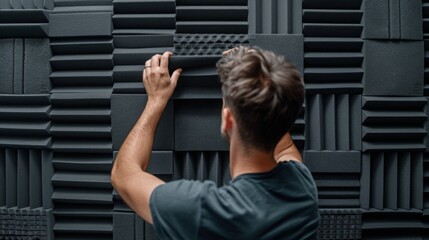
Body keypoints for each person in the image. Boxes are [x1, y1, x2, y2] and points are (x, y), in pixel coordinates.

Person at [111, 47, 319, 240]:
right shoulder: (302, 185)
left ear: (228, 119)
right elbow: (285, 148)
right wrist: (261, 77)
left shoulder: (202, 210)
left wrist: (156, 101)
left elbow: (123, 175)